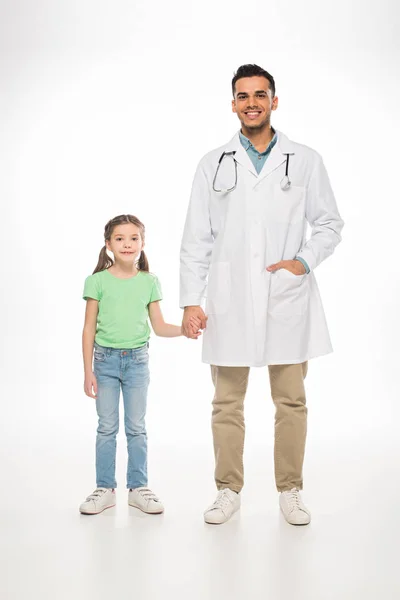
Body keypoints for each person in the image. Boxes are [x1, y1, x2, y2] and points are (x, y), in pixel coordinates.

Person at [180, 64, 344, 526]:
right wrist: (192, 300)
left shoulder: (305, 159)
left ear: (275, 100)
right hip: (228, 298)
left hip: (285, 295)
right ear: (232, 103)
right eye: (242, 95)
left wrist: (303, 261)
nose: (251, 102)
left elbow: (330, 223)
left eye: (260, 94)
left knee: (291, 400)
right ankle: (227, 489)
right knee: (226, 402)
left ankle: (290, 490)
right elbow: (196, 238)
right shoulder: (212, 163)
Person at [79, 214, 200, 515]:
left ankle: (138, 487)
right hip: (104, 362)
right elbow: (88, 330)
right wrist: (87, 371)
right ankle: (105, 488)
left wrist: (184, 330)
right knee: (107, 427)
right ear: (108, 244)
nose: (127, 244)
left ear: (142, 243)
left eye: (133, 238)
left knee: (136, 428)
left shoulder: (149, 281)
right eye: (119, 238)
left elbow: (158, 326)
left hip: (136, 362)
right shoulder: (97, 281)